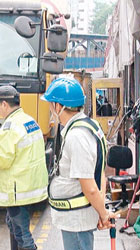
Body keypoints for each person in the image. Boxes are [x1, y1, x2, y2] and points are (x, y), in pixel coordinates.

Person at [41, 77, 116, 250]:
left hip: (76, 220)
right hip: (78, 217)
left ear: (59, 107)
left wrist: (103, 214)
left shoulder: (77, 136)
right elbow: (100, 173)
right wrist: (100, 209)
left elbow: (89, 185)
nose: (51, 110)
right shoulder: (91, 126)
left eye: (51, 105)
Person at [0, 86, 48, 250]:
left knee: (22, 234)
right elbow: (20, 150)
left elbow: (3, 160)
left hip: (18, 190)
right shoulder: (29, 121)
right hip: (30, 184)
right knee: (13, 224)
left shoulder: (10, 127)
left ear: (4, 104)